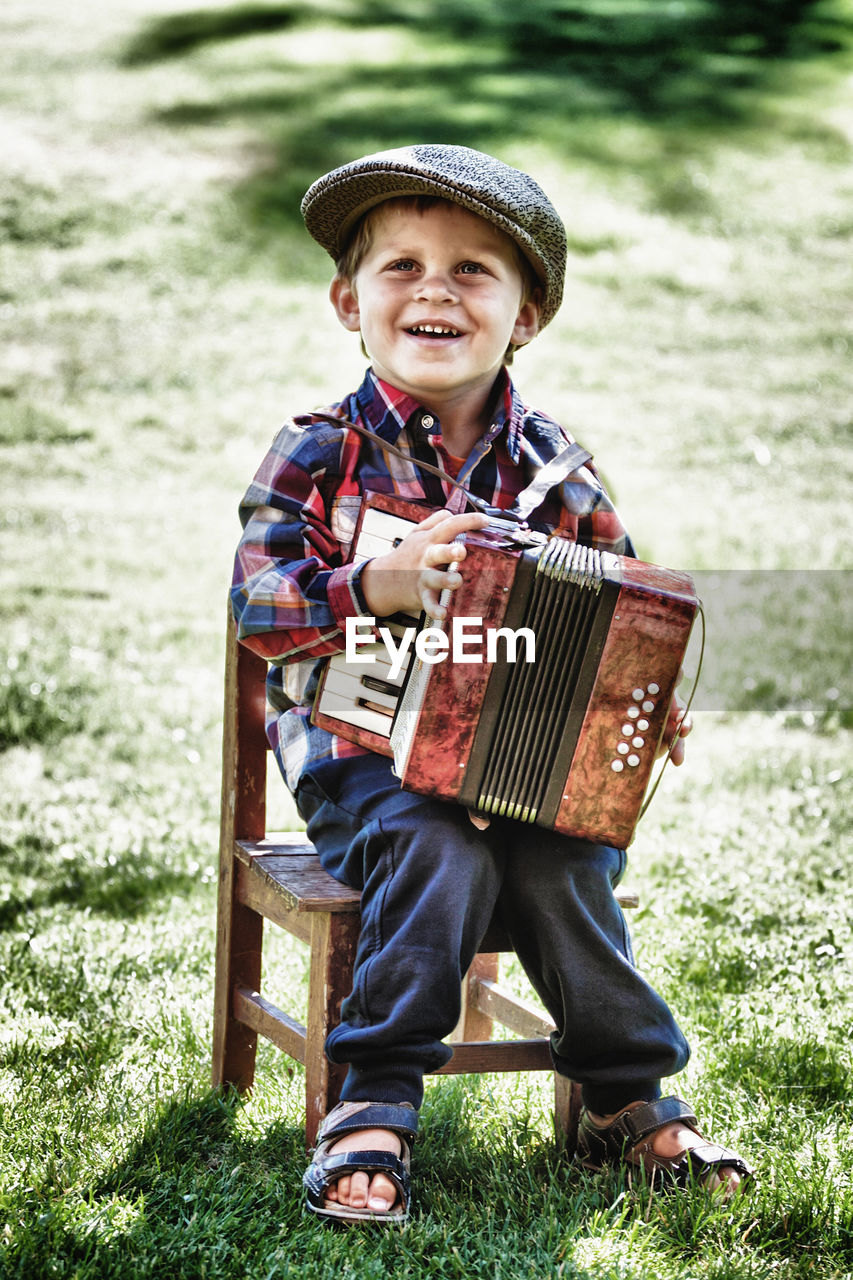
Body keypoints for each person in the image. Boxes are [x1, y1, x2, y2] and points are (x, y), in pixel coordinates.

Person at [231, 144, 752, 1223]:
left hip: (520, 754)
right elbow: (258, 606)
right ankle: (373, 1099)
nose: (434, 288)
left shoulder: (555, 466)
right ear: (348, 301)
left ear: (526, 315)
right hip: (362, 757)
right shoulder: (316, 452)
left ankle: (625, 1091)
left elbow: (624, 613)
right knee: (435, 845)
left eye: (473, 270)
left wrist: (647, 701)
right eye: (402, 266)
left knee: (564, 855)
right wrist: (370, 581)